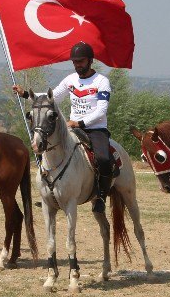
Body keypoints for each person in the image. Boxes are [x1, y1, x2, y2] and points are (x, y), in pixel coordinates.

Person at [13, 42, 112, 213]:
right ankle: (49, 193)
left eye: (80, 61)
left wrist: (79, 123)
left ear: (90, 60)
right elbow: (50, 98)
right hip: (71, 128)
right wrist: (25, 94)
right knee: (46, 148)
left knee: (103, 159)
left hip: (95, 129)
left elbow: (101, 111)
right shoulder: (70, 80)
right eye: (74, 62)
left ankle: (101, 196)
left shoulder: (102, 81)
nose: (77, 65)